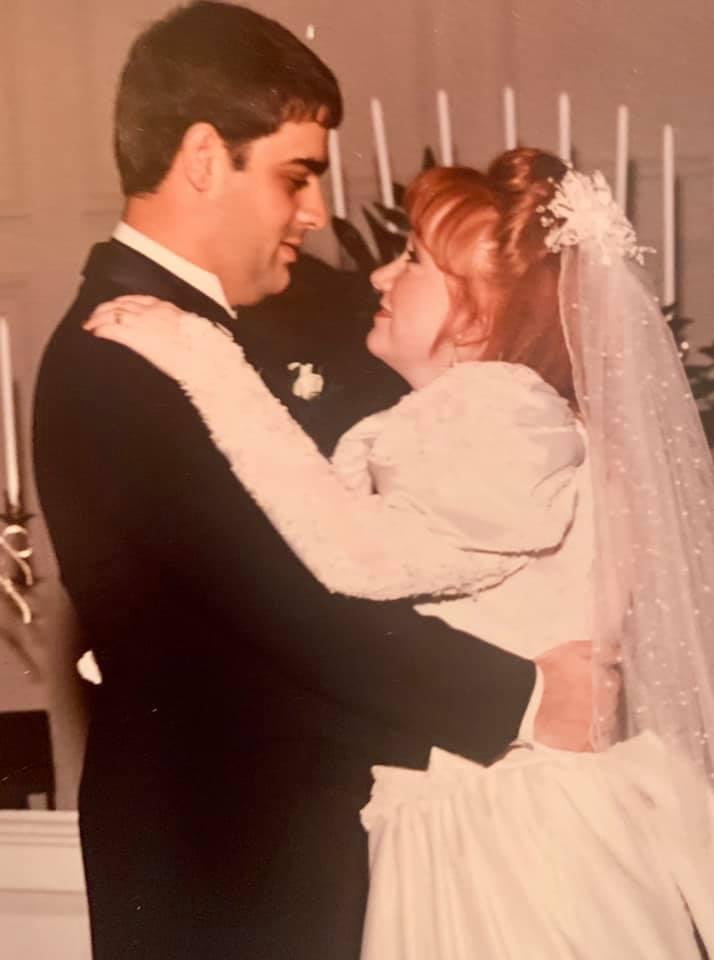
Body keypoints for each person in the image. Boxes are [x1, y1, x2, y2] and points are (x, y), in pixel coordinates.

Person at [32, 5, 593, 957]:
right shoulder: (113, 356)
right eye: (295, 176)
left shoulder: (309, 311)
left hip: (343, 839)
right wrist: (526, 696)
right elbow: (280, 613)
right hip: (227, 868)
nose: (319, 214)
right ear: (203, 158)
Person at [87, 150, 714, 957]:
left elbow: (356, 557)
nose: (381, 275)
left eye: (414, 259)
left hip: (508, 840)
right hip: (508, 813)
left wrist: (208, 363)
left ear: (480, 314)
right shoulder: (506, 419)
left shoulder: (503, 412)